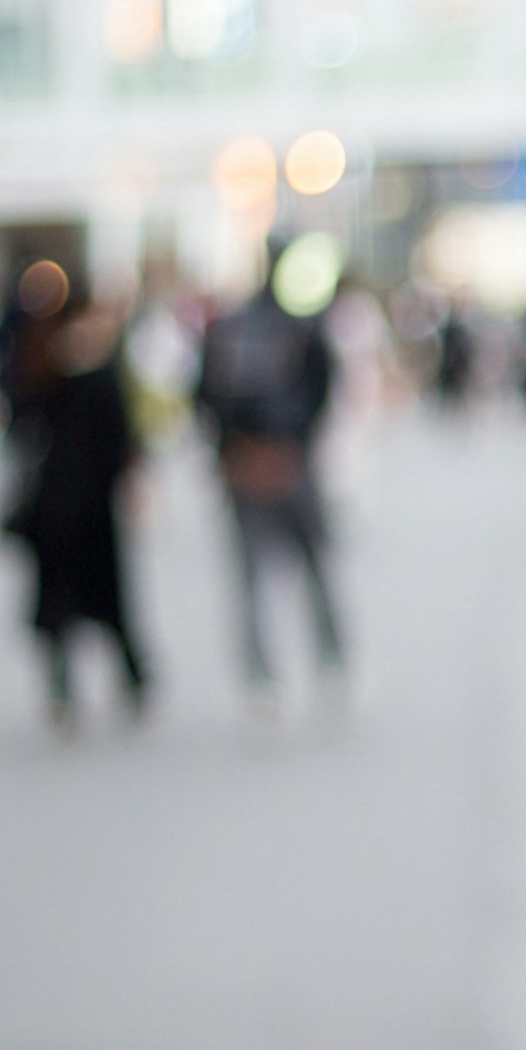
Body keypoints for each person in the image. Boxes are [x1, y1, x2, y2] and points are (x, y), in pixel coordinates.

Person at [196, 242, 349, 709]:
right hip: (279, 463)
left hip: (259, 463)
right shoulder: (287, 327)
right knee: (311, 568)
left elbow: (206, 398)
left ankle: (278, 673)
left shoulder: (234, 327)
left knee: (261, 577)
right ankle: (326, 662)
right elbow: (320, 393)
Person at [3, 289, 150, 731]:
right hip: (65, 505)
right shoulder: (50, 368)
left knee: (100, 600)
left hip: (82, 504)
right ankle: (75, 686)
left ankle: (122, 677)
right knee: (73, 601)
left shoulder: (91, 370)